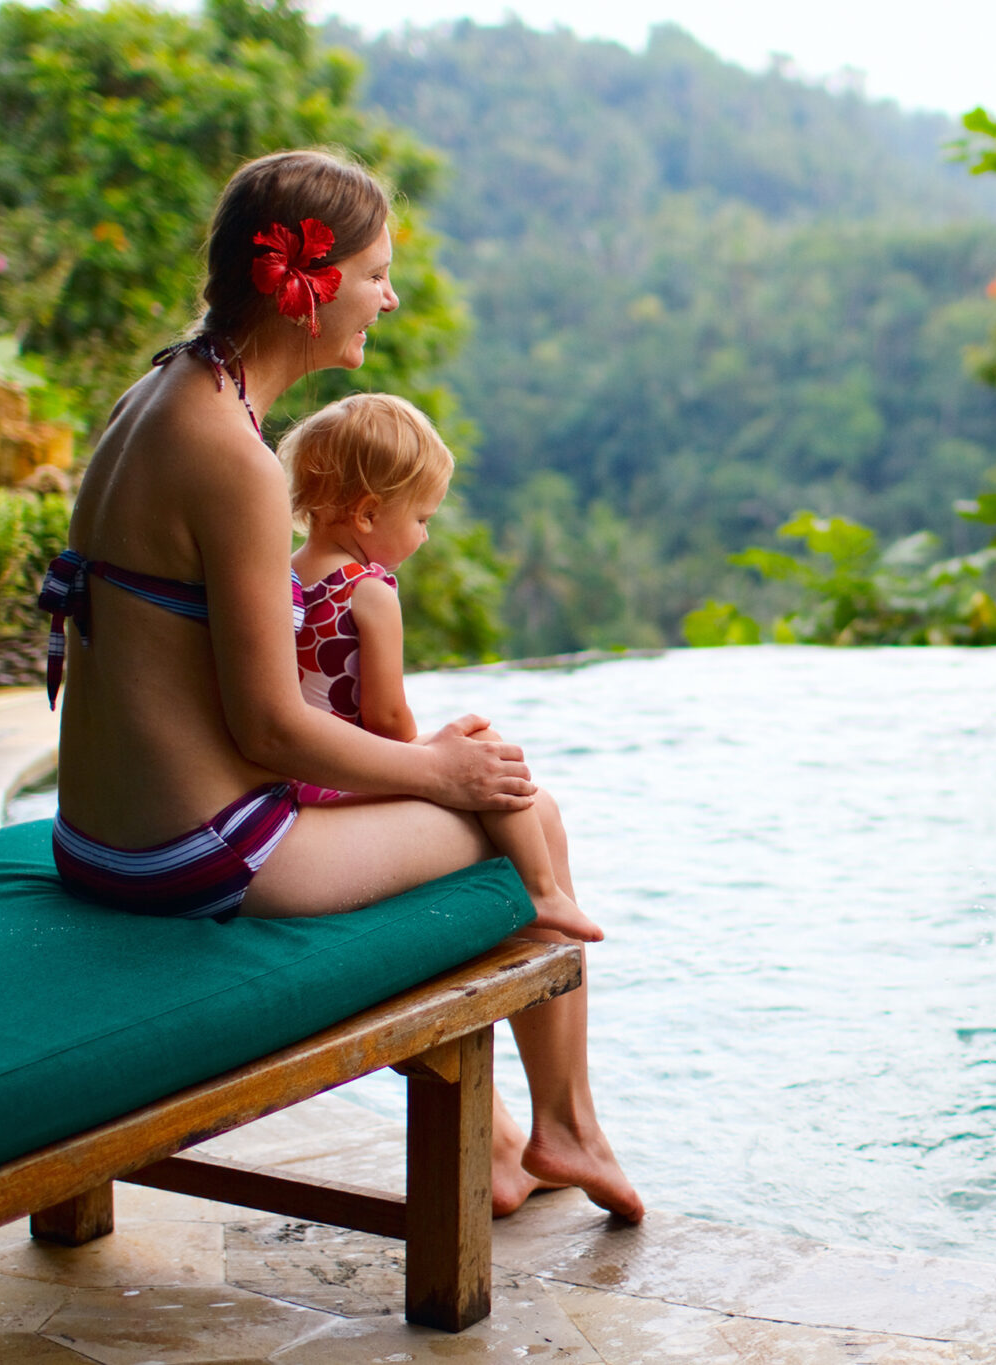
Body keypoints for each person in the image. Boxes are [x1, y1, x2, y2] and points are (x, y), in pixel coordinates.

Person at [37, 147, 640, 1221]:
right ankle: (565, 1129)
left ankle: (504, 1145)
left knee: (465, 797)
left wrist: (417, 769)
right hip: (198, 855)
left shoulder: (161, 395)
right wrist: (437, 770)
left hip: (97, 836)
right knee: (523, 808)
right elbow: (271, 729)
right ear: (300, 283)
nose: (389, 294)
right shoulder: (229, 453)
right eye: (373, 270)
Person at [279, 392, 602, 944]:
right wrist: (424, 756)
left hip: (291, 776)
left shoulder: (283, 574)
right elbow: (385, 717)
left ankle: (544, 894)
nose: (425, 535)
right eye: (422, 518)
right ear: (367, 512)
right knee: (486, 749)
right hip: (341, 777)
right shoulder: (368, 591)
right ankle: (544, 891)